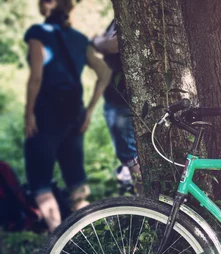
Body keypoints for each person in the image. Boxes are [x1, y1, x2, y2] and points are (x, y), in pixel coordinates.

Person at [24, 0, 111, 232]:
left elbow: (36, 78)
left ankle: (58, 245)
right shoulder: (79, 38)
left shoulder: (37, 33)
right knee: (76, 182)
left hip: (46, 113)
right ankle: (87, 241)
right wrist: (89, 110)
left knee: (40, 182)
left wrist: (28, 115)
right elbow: (104, 73)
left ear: (48, 5)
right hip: (75, 111)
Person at [92, 20, 142, 195]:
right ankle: (147, 207)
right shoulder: (118, 17)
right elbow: (103, 44)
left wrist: (99, 42)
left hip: (123, 102)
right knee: (128, 156)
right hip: (116, 100)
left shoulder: (131, 14)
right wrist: (101, 42)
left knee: (130, 157)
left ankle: (149, 209)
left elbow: (112, 45)